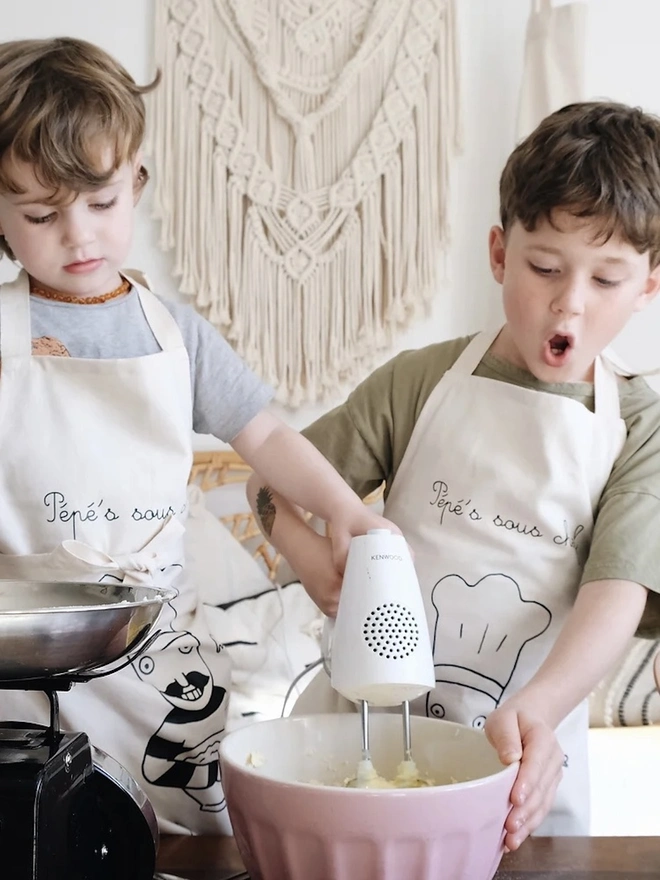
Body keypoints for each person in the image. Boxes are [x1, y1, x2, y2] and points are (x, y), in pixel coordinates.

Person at [0, 36, 396, 835]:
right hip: (20, 657)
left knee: (179, 829)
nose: (79, 237)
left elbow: (267, 436)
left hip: (153, 651)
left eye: (102, 203)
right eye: (42, 214)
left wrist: (343, 512)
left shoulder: (174, 336)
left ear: (136, 182)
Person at [247, 100, 660, 850]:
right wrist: (312, 564)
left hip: (521, 764)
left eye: (608, 279)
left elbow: (618, 590)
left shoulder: (639, 425)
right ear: (500, 254)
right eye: (544, 267)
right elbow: (271, 487)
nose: (569, 301)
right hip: (359, 744)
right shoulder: (419, 382)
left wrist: (538, 712)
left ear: (650, 283)